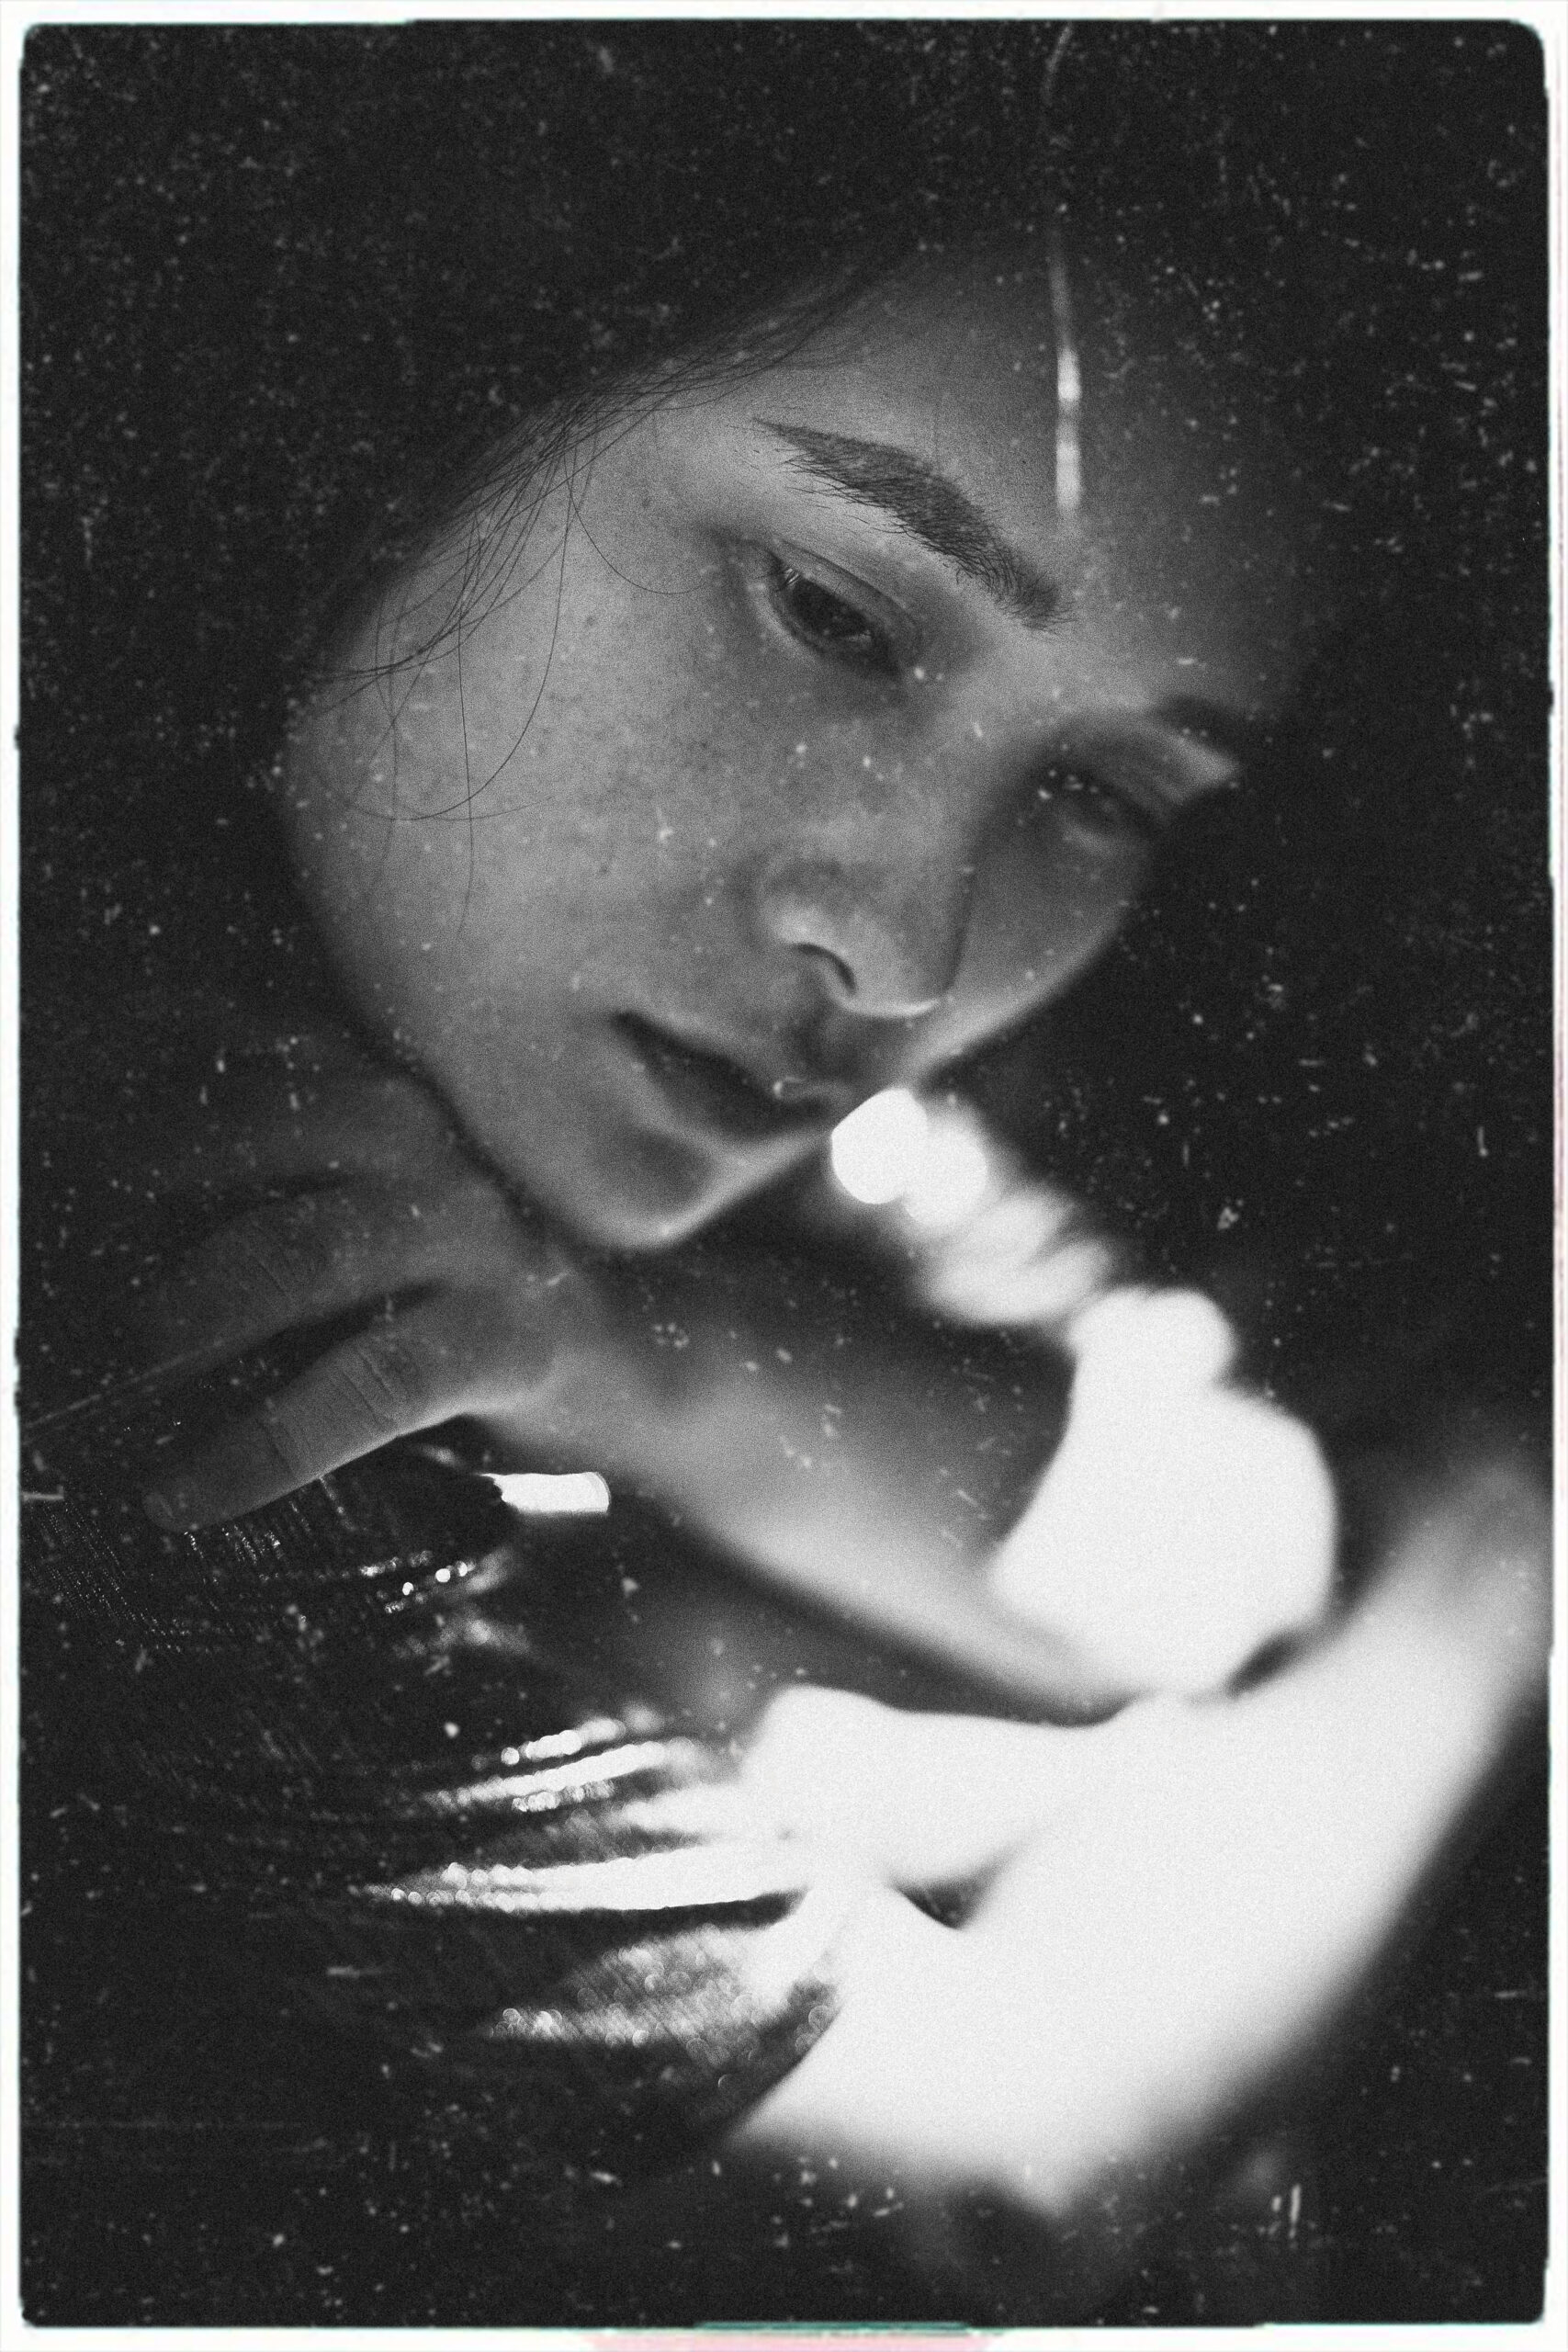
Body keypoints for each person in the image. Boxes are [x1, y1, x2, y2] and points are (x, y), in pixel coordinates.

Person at [18, 18, 1551, 2328]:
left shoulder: (634, 1066)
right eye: (832, 613)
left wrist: (627, 1355)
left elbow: (1226, 1551)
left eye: (1104, 791)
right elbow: (995, 2194)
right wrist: (1503, 1547)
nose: (907, 946)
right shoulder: (138, 1265)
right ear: (409, 406)